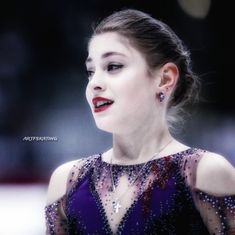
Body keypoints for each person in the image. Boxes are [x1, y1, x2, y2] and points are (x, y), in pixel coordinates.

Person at [45, 9, 235, 235]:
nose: (94, 83)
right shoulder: (67, 181)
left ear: (165, 78)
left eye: (113, 66)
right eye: (90, 71)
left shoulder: (204, 173)